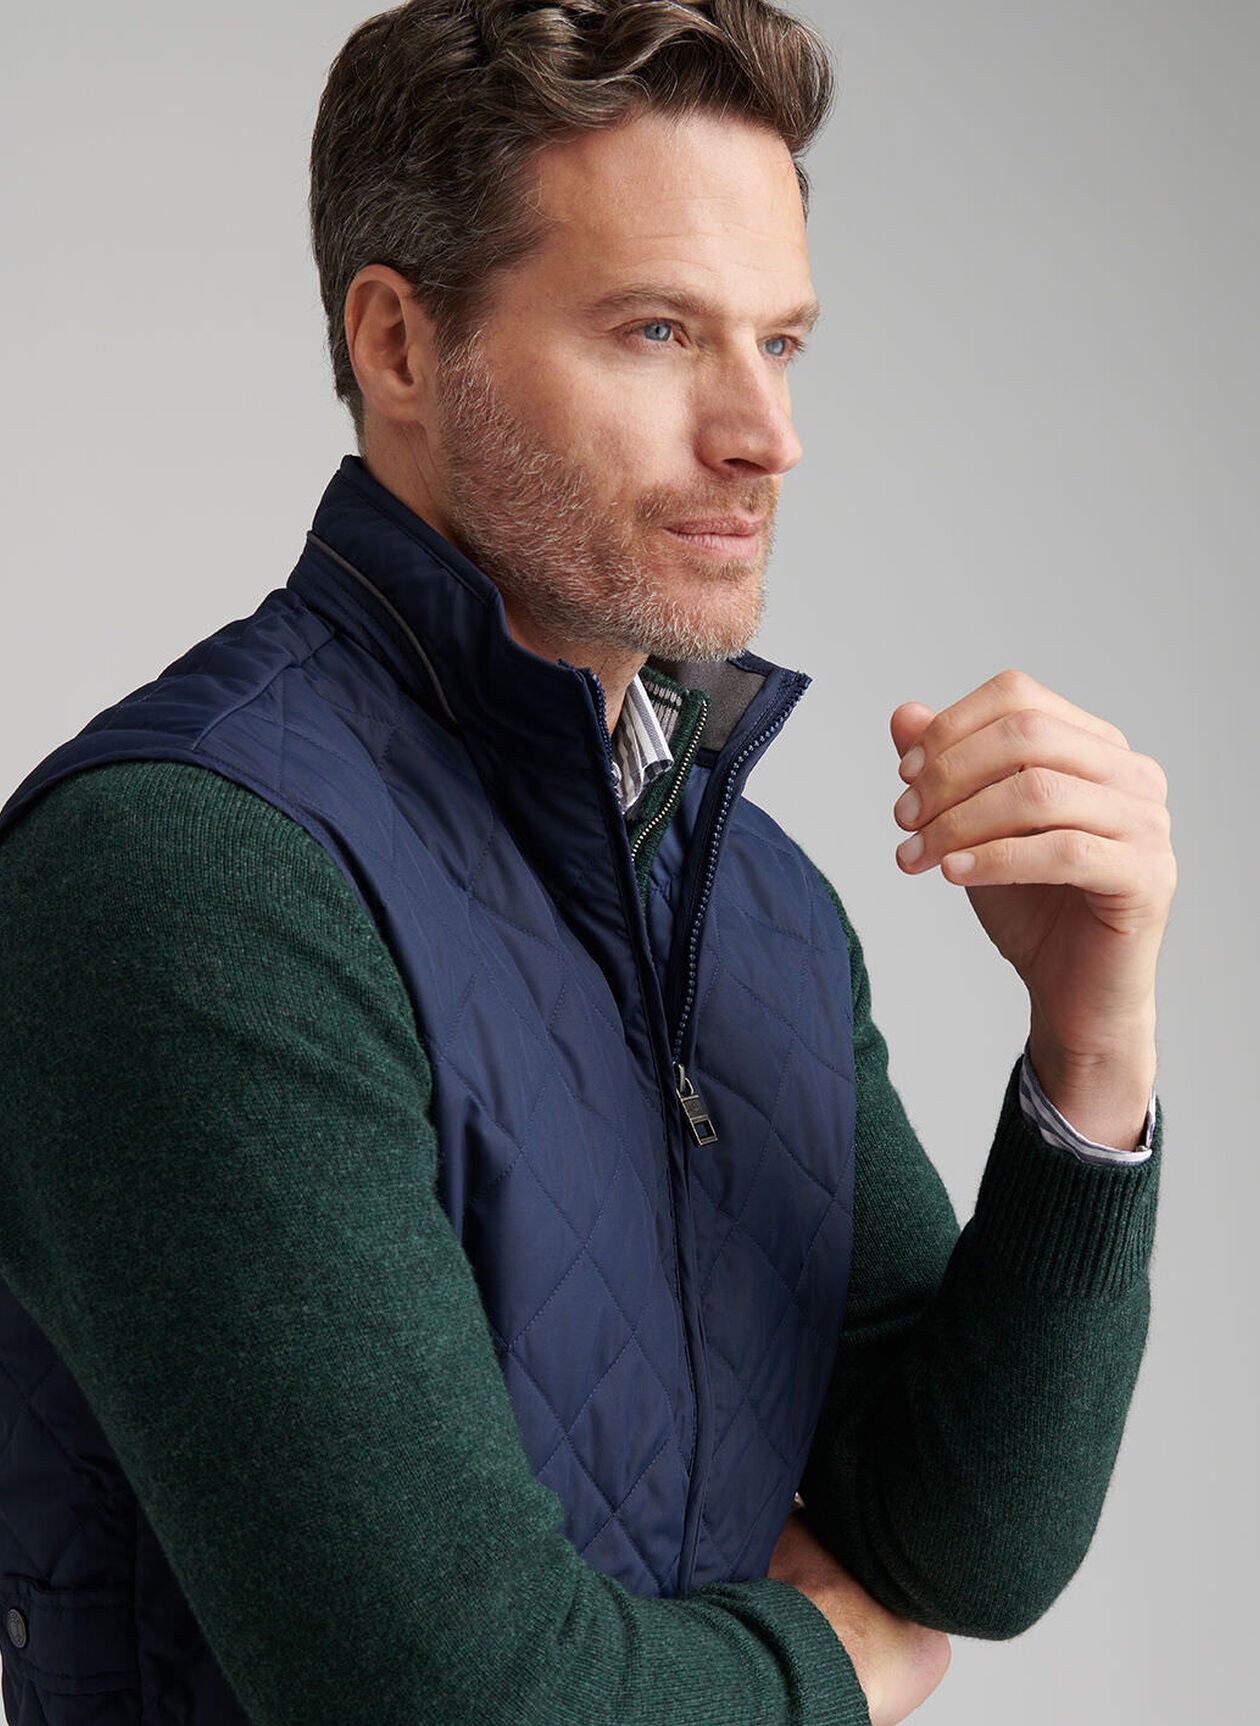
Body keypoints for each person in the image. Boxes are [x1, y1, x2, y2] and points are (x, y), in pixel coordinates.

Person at [0, 3, 1174, 1724]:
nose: (765, 433)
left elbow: (962, 1540)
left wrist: (1090, 1050)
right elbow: (455, 1696)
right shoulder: (192, 875)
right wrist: (831, 1673)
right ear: (399, 344)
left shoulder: (755, 901)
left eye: (784, 343)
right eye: (658, 330)